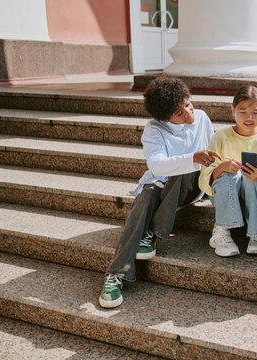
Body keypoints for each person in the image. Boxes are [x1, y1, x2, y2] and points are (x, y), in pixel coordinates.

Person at [99, 75, 220, 308]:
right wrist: (192, 157)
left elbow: (212, 158)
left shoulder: (202, 118)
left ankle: (152, 232)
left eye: (187, 104)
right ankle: (115, 275)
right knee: (146, 196)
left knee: (183, 170)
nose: (188, 113)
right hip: (161, 186)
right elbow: (156, 166)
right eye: (179, 112)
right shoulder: (154, 129)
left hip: (190, 186)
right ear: (166, 118)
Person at [199, 86, 257, 257]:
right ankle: (222, 231)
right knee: (230, 173)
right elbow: (205, 177)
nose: (249, 118)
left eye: (255, 112)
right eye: (242, 111)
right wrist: (222, 167)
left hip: (256, 195)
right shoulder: (221, 136)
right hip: (225, 195)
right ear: (232, 110)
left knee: (252, 175)